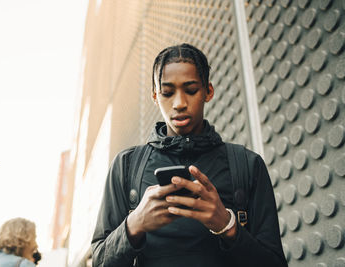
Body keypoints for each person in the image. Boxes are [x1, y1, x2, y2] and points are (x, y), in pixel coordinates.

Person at [91, 43, 287, 267]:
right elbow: (99, 261)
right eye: (167, 93)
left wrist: (227, 225)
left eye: (191, 90)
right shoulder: (126, 166)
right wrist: (134, 224)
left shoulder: (247, 164)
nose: (179, 103)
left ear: (208, 91)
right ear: (155, 96)